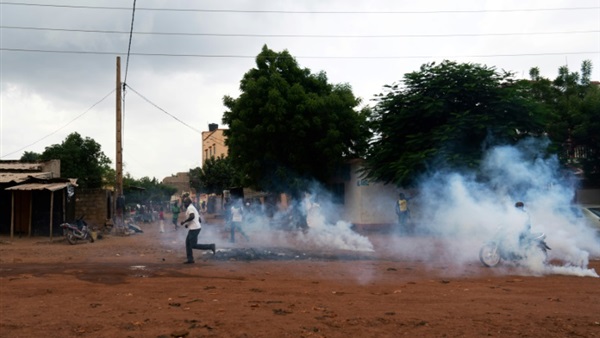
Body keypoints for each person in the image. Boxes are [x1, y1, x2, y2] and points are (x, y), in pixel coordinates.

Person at [181, 197, 216, 264]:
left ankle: (211, 246)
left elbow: (192, 217)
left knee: (193, 245)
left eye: (185, 203)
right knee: (188, 243)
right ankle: (190, 259)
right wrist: (188, 225)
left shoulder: (190, 208)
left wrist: (184, 222)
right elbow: (198, 219)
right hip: (194, 228)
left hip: (194, 229)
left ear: (189, 203)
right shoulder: (193, 207)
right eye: (184, 203)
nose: (184, 204)